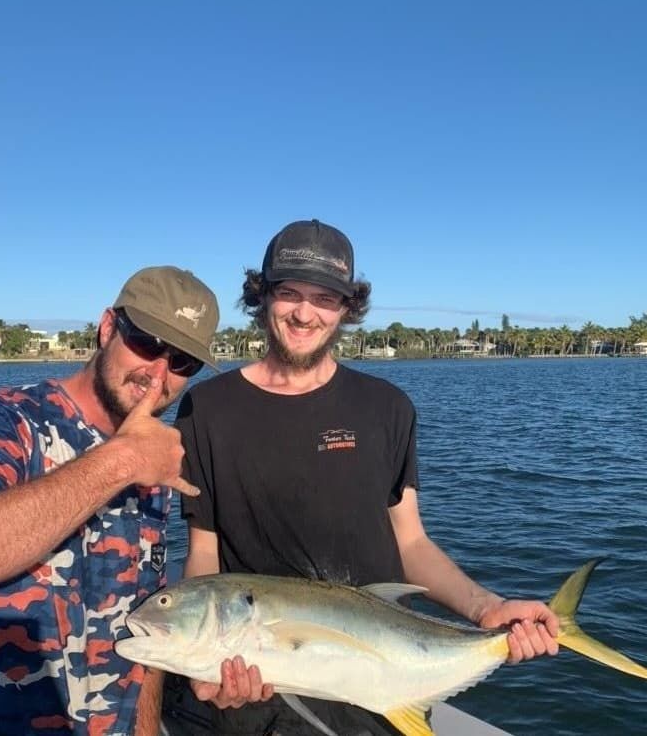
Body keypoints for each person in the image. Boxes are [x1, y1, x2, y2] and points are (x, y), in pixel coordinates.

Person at [174, 219, 560, 735]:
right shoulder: (206, 408)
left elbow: (411, 541)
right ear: (262, 296)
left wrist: (487, 610)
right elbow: (204, 550)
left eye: (325, 299)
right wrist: (204, 661)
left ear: (347, 307)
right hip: (254, 691)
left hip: (381, 694)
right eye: (289, 293)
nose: (305, 314)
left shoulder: (386, 407)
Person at [0, 266, 219, 736]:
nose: (158, 375)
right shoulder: (8, 420)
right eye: (148, 342)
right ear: (108, 327)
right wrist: (121, 461)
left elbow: (144, 635)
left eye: (182, 362)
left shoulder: (153, 471)